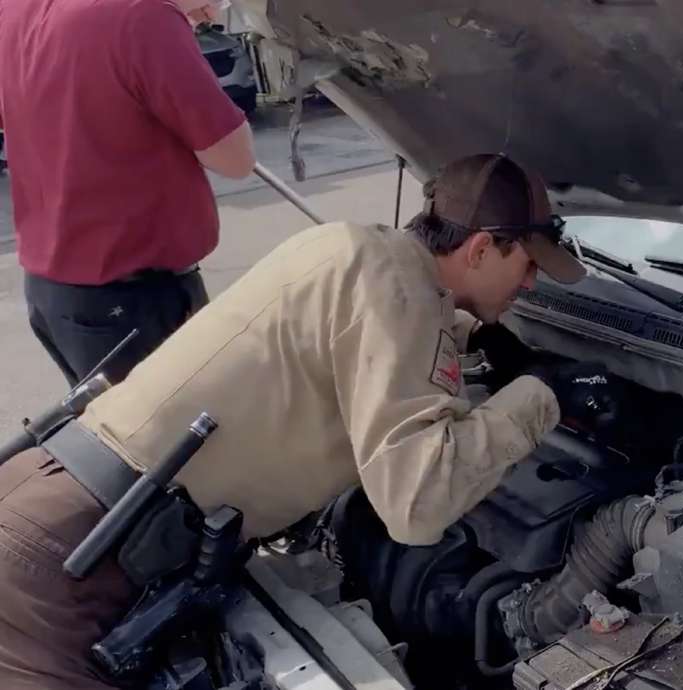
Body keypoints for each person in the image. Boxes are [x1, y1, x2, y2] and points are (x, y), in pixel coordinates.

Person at [0, 153, 614, 690]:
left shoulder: (356, 249)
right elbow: (419, 504)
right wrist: (542, 393)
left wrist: (477, 341)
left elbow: (362, 342)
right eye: (528, 263)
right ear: (481, 248)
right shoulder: (397, 284)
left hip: (70, 517)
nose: (532, 282)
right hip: (64, 563)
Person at [0, 0, 256, 387]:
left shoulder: (15, 10)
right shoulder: (143, 17)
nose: (213, 12)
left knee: (114, 437)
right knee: (187, 441)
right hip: (135, 301)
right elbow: (236, 159)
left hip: (56, 295)